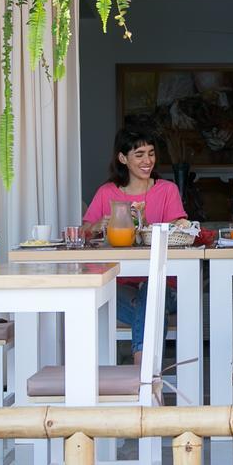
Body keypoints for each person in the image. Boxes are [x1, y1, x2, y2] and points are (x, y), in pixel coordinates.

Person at [82, 128, 186, 365]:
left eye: (150, 153)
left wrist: (151, 226)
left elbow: (179, 231)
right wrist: (100, 224)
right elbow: (83, 233)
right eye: (139, 154)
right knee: (148, 306)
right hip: (118, 285)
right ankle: (147, 381)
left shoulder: (167, 190)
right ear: (122, 158)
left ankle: (140, 373)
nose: (147, 160)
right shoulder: (107, 193)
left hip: (164, 284)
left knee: (151, 292)